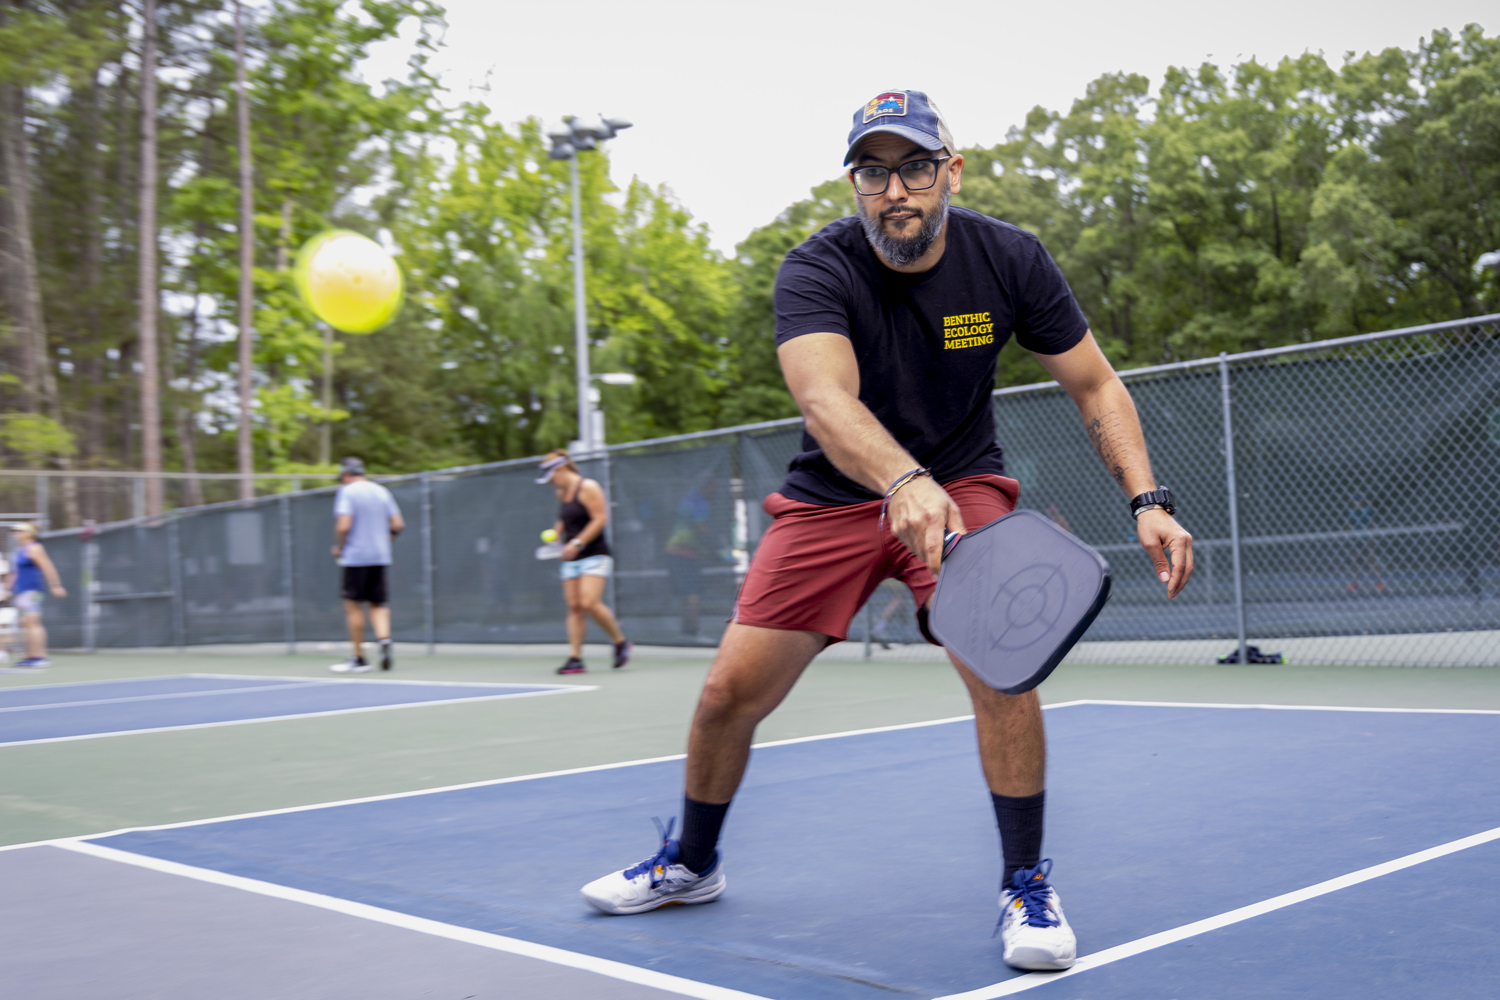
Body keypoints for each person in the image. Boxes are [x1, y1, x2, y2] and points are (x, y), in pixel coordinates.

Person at [579, 90, 1194, 972]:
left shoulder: (1009, 261)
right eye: (873, 171)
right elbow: (824, 399)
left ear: (951, 170)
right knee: (726, 695)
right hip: (835, 496)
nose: (893, 190)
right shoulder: (816, 269)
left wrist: (1148, 499)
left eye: (912, 167)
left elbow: (1096, 385)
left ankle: (1026, 883)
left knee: (1000, 660)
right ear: (856, 183)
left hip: (964, 484)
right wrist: (899, 477)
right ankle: (691, 862)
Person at [537, 451, 632, 675]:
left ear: (560, 470)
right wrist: (557, 534)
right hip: (572, 557)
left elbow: (600, 518)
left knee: (589, 602)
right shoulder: (561, 493)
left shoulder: (588, 486)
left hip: (595, 554)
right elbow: (564, 517)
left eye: (551, 477)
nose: (551, 483)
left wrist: (578, 543)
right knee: (574, 607)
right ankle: (575, 659)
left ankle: (620, 642)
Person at [329, 457, 403, 673]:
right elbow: (398, 524)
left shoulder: (348, 491)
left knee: (352, 605)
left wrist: (340, 547)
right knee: (378, 604)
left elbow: (343, 526)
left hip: (355, 557)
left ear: (345, 475)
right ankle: (385, 639)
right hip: (379, 556)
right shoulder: (382, 491)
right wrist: (384, 540)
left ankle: (359, 657)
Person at [6, 523, 67, 669]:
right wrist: (8, 588)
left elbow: (47, 566)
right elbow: (15, 572)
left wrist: (56, 585)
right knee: (26, 624)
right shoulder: (18, 550)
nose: (16, 533)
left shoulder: (35, 547)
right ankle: (30, 656)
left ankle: (40, 657)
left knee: (33, 623)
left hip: (32, 591)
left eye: (20, 531)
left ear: (30, 533)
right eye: (15, 531)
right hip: (20, 592)